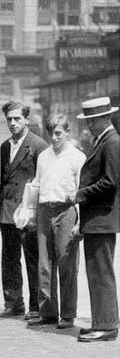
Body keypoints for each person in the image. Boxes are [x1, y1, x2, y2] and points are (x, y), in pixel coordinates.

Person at [27, 115, 85, 329]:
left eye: (58, 133)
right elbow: (37, 184)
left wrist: (80, 221)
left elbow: (81, 191)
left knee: (66, 263)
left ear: (67, 132)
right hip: (44, 210)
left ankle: (68, 314)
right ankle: (48, 312)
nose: (54, 137)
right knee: (44, 264)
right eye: (50, 133)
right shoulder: (43, 156)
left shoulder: (77, 157)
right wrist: (29, 211)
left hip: (66, 211)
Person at [71, 97, 119, 342]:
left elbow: (110, 182)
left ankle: (108, 326)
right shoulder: (103, 141)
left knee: (101, 274)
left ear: (104, 118)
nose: (88, 125)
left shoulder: (111, 143)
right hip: (97, 220)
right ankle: (102, 322)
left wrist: (80, 194)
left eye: (91, 120)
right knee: (97, 274)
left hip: (102, 219)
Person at [0, 100, 49, 319]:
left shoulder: (39, 146)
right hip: (9, 212)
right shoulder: (5, 146)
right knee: (9, 260)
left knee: (32, 260)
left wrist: (35, 213)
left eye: (17, 118)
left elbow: (41, 182)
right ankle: (13, 303)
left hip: (28, 213)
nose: (13, 123)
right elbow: (4, 181)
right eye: (9, 119)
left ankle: (36, 307)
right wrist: (0, 210)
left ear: (27, 119)